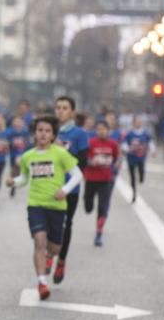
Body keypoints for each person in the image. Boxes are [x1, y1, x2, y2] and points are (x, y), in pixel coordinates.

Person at [7, 116, 83, 300]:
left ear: (53, 135)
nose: (43, 134)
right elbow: (25, 179)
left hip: (57, 206)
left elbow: (77, 175)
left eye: (47, 131)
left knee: (55, 247)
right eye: (40, 130)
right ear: (34, 133)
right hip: (36, 205)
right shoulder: (27, 156)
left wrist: (64, 190)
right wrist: (13, 182)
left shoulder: (60, 154)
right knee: (39, 240)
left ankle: (51, 257)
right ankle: (42, 282)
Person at [52, 96, 88, 285]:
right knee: (49, 223)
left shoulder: (79, 134)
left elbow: (83, 163)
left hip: (70, 188)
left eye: (64, 108)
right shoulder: (48, 131)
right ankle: (50, 252)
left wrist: (63, 152)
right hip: (49, 187)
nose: (60, 111)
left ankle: (61, 260)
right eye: (58, 107)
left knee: (66, 225)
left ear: (72, 112)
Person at [84, 119, 121, 247]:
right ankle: (88, 206)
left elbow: (118, 158)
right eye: (99, 129)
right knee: (88, 207)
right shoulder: (91, 143)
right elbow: (85, 159)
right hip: (91, 178)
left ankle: (99, 233)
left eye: (103, 129)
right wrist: (91, 162)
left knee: (103, 207)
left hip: (106, 179)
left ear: (108, 130)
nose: (101, 131)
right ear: (96, 131)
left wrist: (115, 167)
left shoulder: (113, 144)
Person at [122, 116, 150, 203]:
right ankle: (134, 193)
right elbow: (124, 143)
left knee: (141, 171)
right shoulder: (129, 134)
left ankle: (142, 176)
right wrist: (127, 149)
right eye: (136, 122)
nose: (138, 123)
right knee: (132, 176)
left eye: (139, 122)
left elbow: (150, 142)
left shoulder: (145, 133)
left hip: (141, 157)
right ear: (133, 123)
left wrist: (153, 150)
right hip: (131, 158)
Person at [8, 115, 31, 199]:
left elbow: (28, 144)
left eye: (19, 121)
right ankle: (13, 186)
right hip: (13, 156)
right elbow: (6, 142)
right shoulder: (10, 132)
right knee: (14, 171)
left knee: (19, 172)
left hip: (23, 155)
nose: (17, 123)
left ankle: (16, 183)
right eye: (15, 121)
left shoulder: (25, 132)